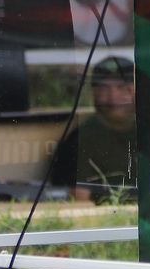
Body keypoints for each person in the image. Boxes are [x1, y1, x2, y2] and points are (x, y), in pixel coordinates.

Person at [48, 55, 136, 202]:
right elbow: (79, 197)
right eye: (103, 88)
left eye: (122, 87)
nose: (113, 96)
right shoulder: (79, 140)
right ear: (93, 93)